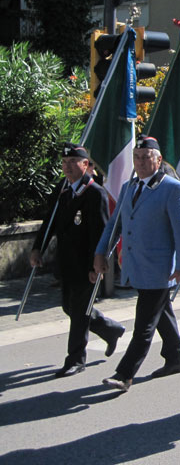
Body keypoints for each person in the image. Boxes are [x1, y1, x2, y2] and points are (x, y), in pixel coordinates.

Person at [93, 136, 180, 391]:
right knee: (161, 313)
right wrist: (101, 252)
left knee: (144, 323)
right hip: (136, 264)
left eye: (146, 157)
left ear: (158, 160)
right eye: (136, 157)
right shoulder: (129, 187)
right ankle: (176, 357)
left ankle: (124, 374)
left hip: (160, 268)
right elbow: (115, 224)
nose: (140, 162)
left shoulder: (172, 188)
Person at [30, 143, 124, 378]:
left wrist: (98, 263)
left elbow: (101, 231)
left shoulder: (94, 193)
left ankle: (75, 359)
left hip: (86, 263)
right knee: (69, 308)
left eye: (73, 162)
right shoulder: (62, 190)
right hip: (66, 262)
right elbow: (48, 223)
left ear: (86, 165)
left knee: (80, 312)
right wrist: (36, 249)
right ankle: (110, 329)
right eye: (65, 163)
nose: (68, 167)